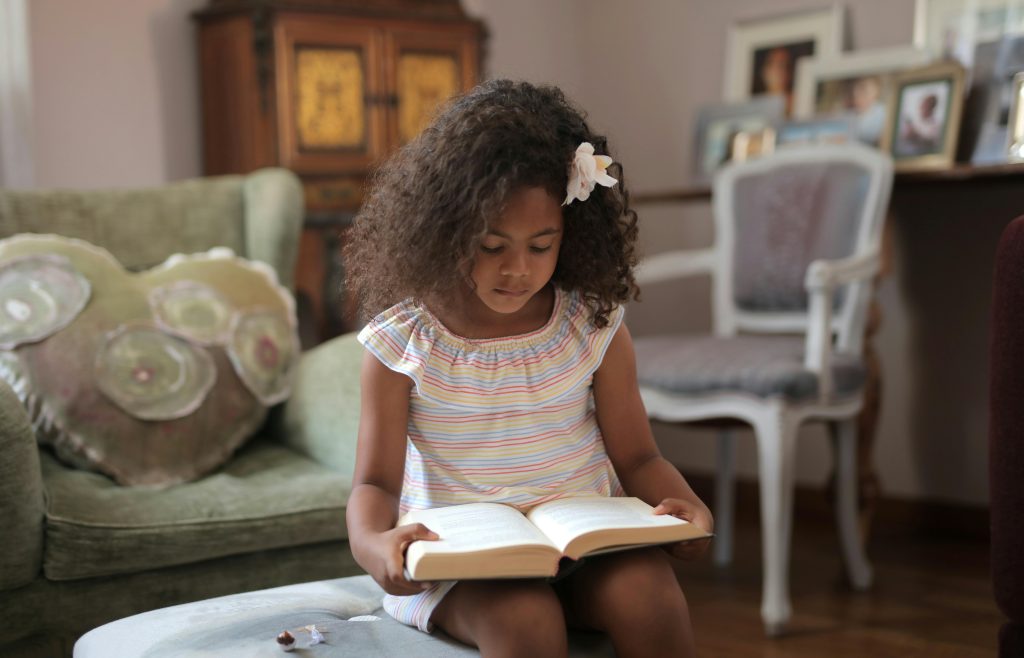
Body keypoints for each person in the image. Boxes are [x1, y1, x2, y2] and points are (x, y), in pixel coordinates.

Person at [344, 79, 714, 658]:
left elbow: (639, 456)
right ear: (447, 230)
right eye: (493, 246)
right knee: (527, 621)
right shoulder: (404, 341)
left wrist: (685, 509)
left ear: (571, 235)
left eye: (541, 246)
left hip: (584, 552)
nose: (518, 269)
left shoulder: (591, 326)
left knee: (652, 596)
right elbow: (374, 483)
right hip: (462, 568)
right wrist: (374, 545)